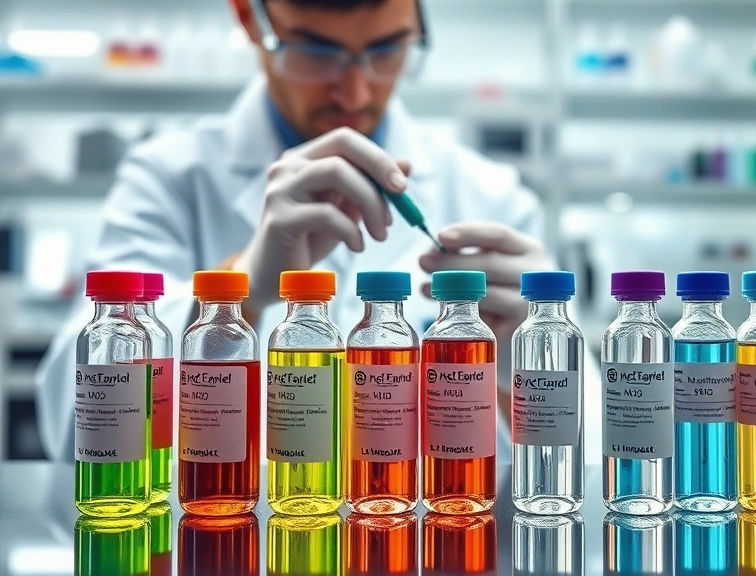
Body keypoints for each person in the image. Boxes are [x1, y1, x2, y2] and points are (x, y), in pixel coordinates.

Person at [37, 0, 602, 464]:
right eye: (315, 52)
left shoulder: (490, 193)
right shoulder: (168, 176)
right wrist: (241, 289)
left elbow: (608, 451)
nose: (355, 92)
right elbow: (73, 422)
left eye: (386, 49)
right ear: (250, 21)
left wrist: (523, 368)